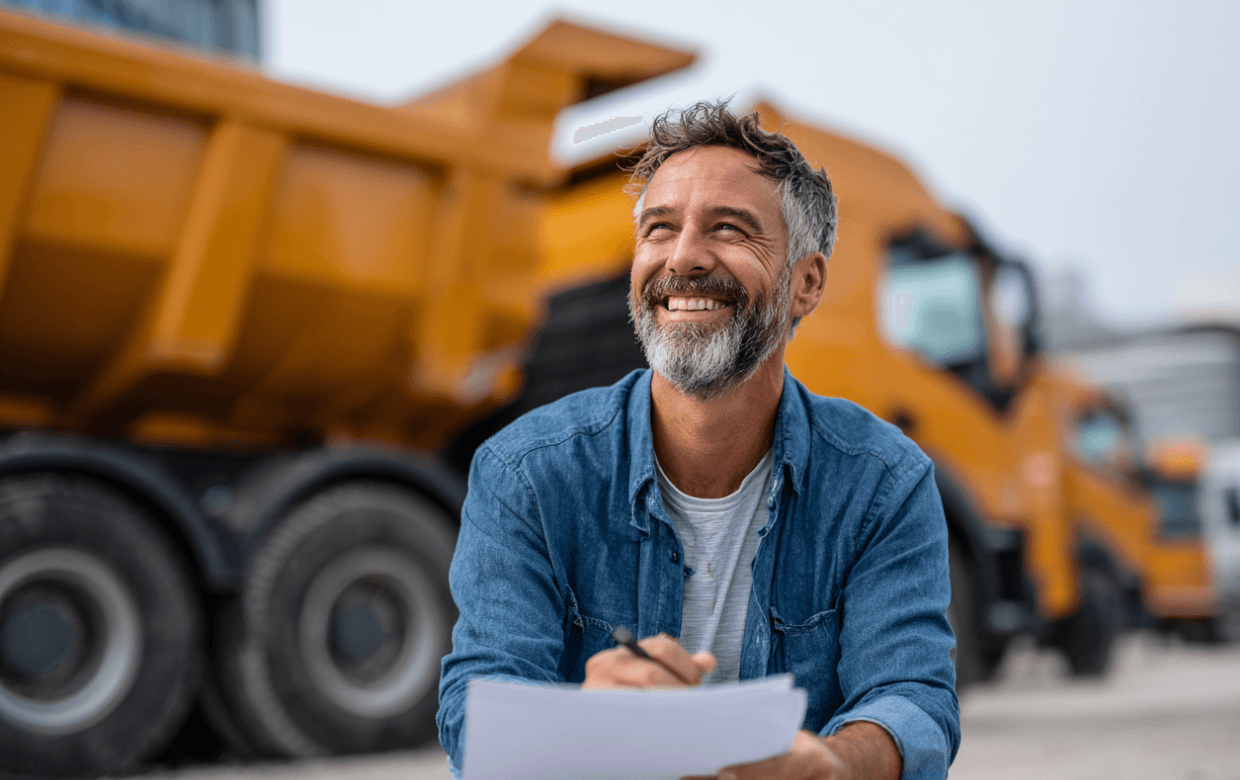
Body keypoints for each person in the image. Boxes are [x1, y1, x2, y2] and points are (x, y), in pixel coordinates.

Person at [437, 101, 959, 780]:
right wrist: (578, 725)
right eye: (659, 230)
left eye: (730, 229)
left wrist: (827, 763)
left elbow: (913, 699)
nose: (682, 256)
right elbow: (474, 712)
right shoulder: (526, 473)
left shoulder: (884, 482)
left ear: (807, 283)